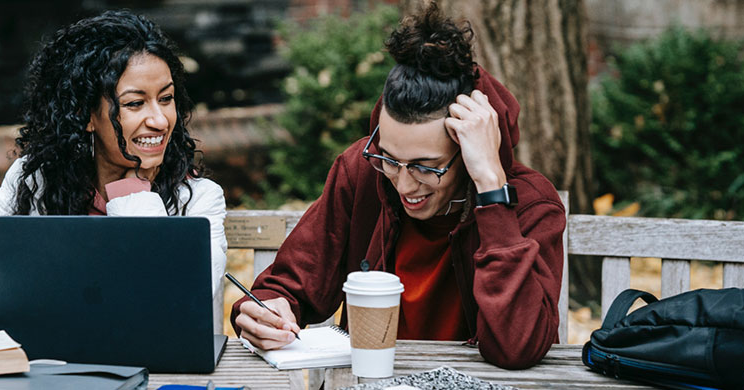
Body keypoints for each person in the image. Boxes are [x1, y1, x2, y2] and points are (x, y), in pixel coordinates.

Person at [231, 4, 565, 369]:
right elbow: (290, 284)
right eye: (389, 158)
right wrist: (263, 310)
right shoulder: (361, 171)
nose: (404, 184)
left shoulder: (531, 204)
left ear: (469, 148)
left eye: (426, 167)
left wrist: (491, 188)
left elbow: (518, 347)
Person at [0, 10, 228, 336]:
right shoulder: (33, 183)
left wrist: (134, 195)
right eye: (134, 104)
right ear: (85, 115)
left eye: (166, 98)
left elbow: (171, 314)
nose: (160, 120)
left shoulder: (198, 201)